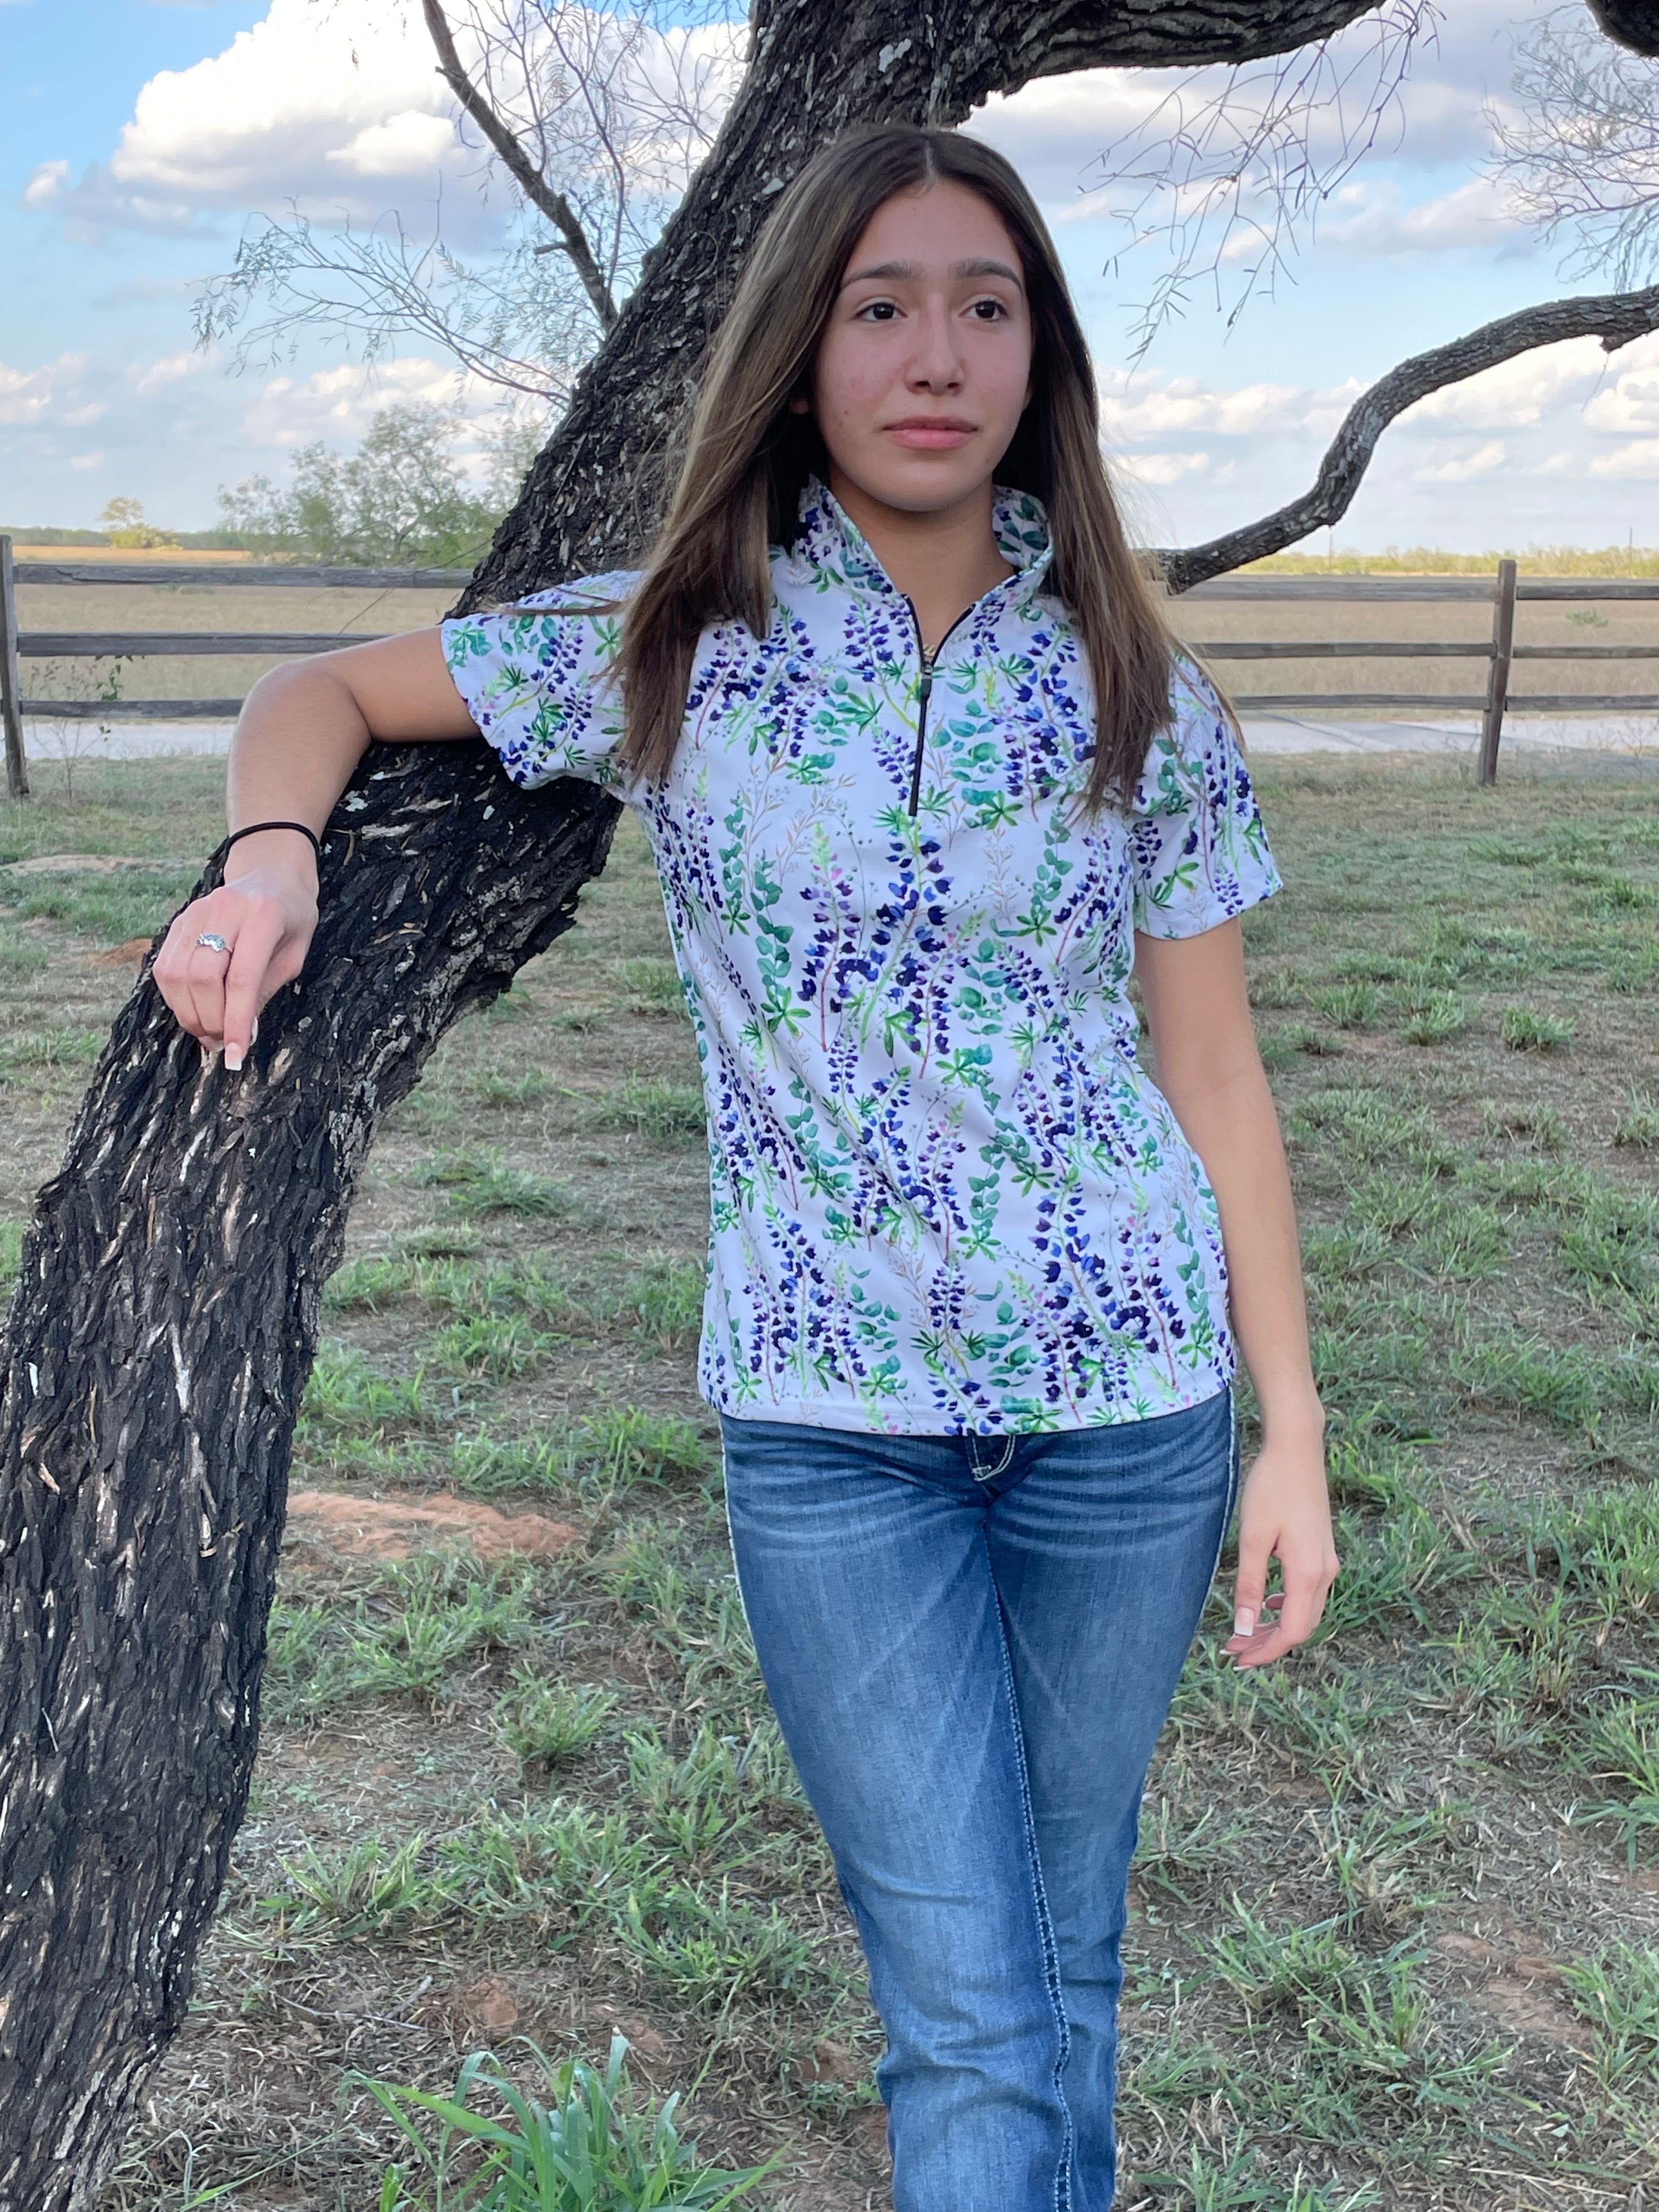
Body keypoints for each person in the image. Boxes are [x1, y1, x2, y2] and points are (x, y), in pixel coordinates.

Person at [157, 123, 1339, 2212]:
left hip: (1132, 1407)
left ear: (1040, 354)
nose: (936, 351)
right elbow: (316, 690)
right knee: (972, 1998)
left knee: (1065, 1964)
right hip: (830, 1426)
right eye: (880, 304)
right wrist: (266, 865)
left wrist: (1292, 1432)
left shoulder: (1137, 675)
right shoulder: (677, 644)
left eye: (989, 303)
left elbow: (1217, 1073)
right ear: (802, 351)